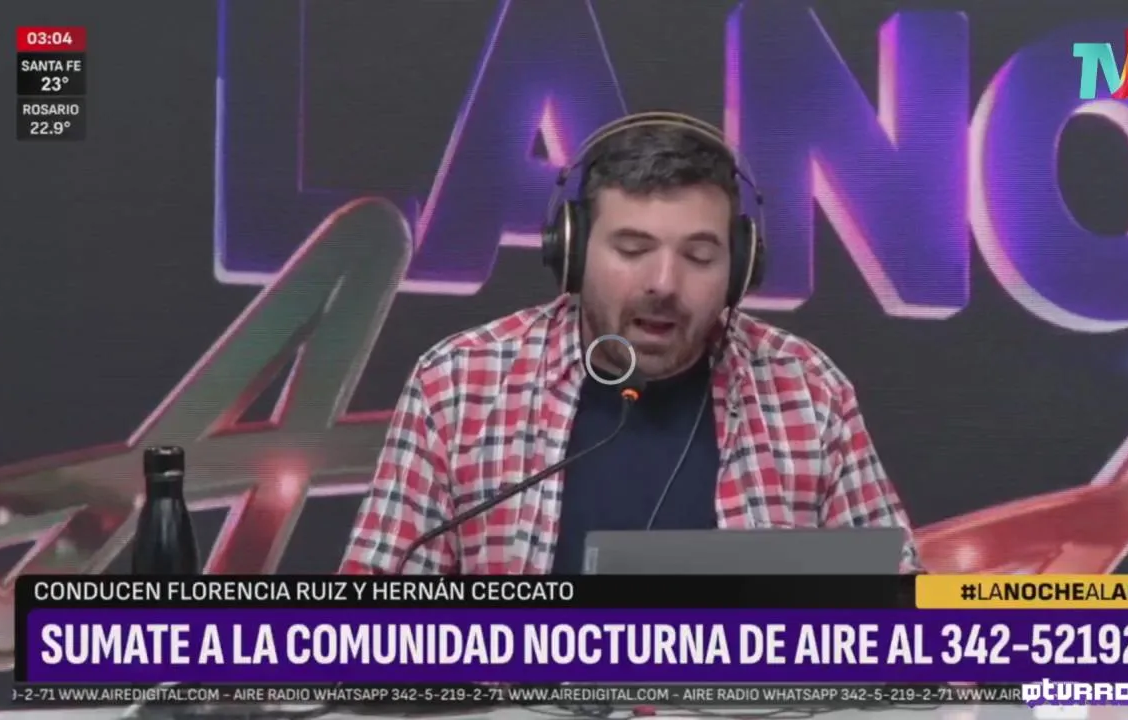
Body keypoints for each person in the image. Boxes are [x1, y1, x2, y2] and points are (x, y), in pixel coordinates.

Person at [340, 112, 922, 575]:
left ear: (740, 268)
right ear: (573, 252)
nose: (664, 283)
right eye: (632, 250)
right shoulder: (457, 384)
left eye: (699, 256)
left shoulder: (808, 391)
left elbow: (909, 623)